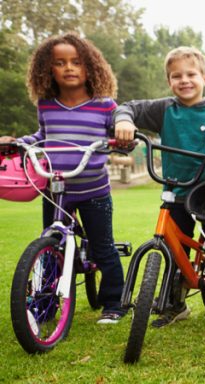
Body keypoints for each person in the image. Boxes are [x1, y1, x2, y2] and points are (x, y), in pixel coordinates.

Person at [0, 33, 126, 324]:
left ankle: (114, 304)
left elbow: (119, 132)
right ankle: (45, 304)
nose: (68, 68)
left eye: (76, 62)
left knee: (103, 247)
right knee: (51, 246)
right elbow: (43, 137)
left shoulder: (104, 105)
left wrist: (123, 137)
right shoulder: (47, 105)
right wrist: (18, 142)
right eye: (60, 63)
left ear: (90, 67)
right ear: (48, 69)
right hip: (56, 190)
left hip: (94, 190)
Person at [113, 46, 205, 328]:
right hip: (176, 190)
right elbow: (128, 107)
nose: (184, 80)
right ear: (169, 81)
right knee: (174, 247)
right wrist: (125, 121)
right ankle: (175, 303)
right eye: (177, 76)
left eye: (191, 74)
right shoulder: (164, 109)